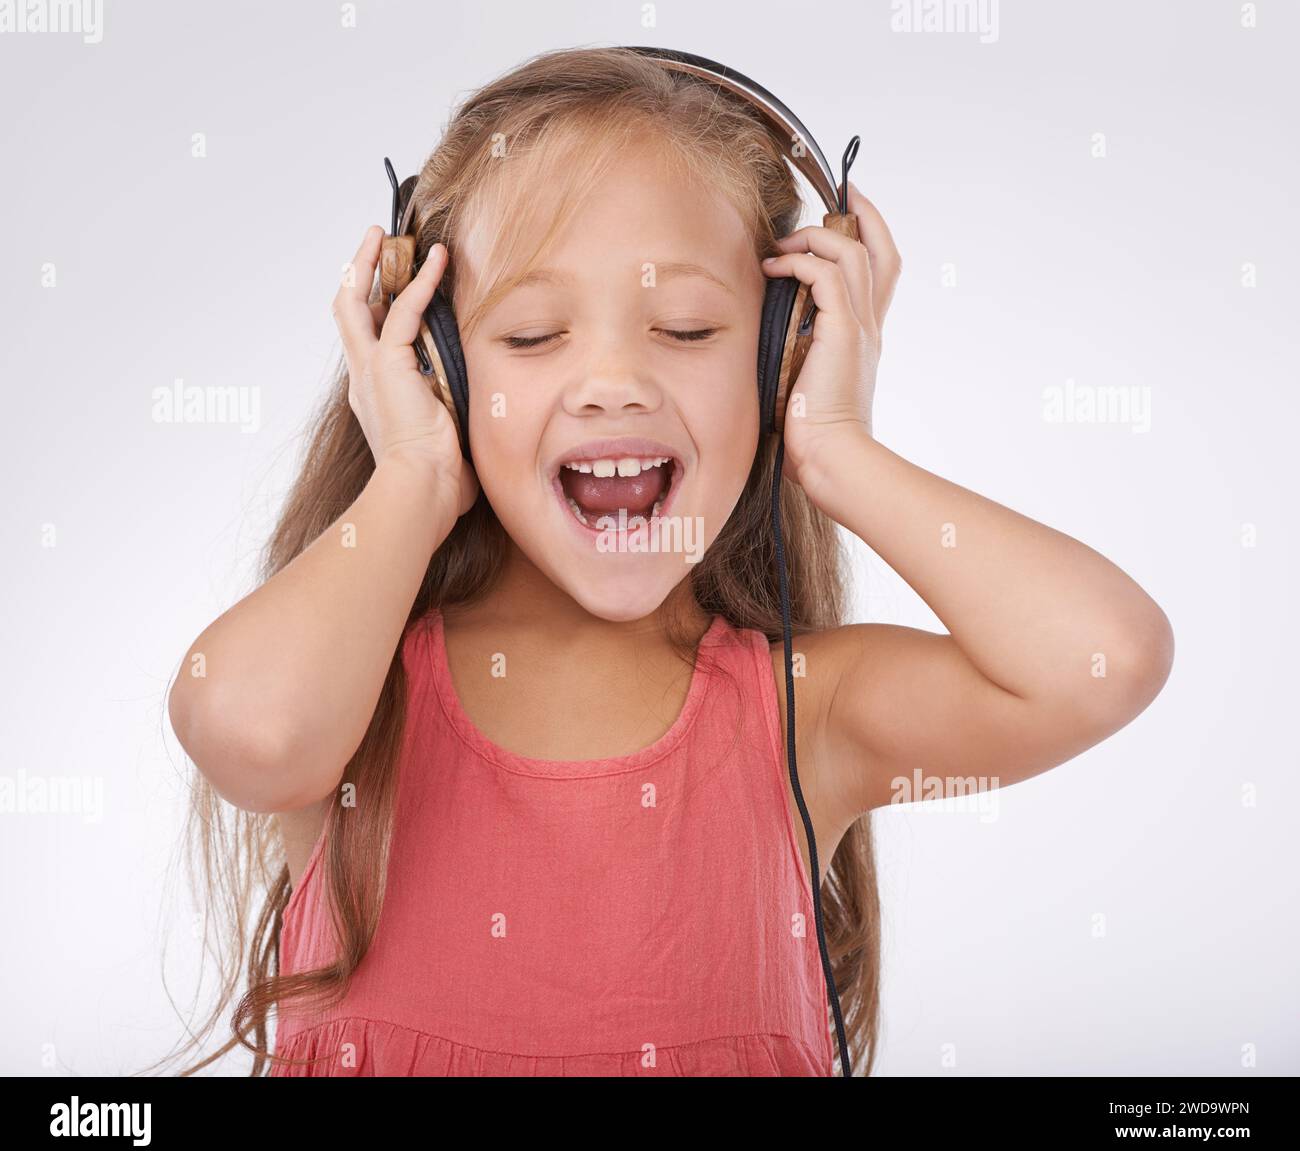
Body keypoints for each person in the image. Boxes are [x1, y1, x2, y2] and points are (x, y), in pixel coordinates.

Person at [163, 46, 1174, 1077]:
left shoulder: (801, 710)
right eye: (530, 333)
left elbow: (1104, 656)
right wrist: (415, 473)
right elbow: (250, 728)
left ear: (781, 348)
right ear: (435, 364)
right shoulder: (352, 696)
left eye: (686, 327)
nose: (612, 382)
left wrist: (835, 448)